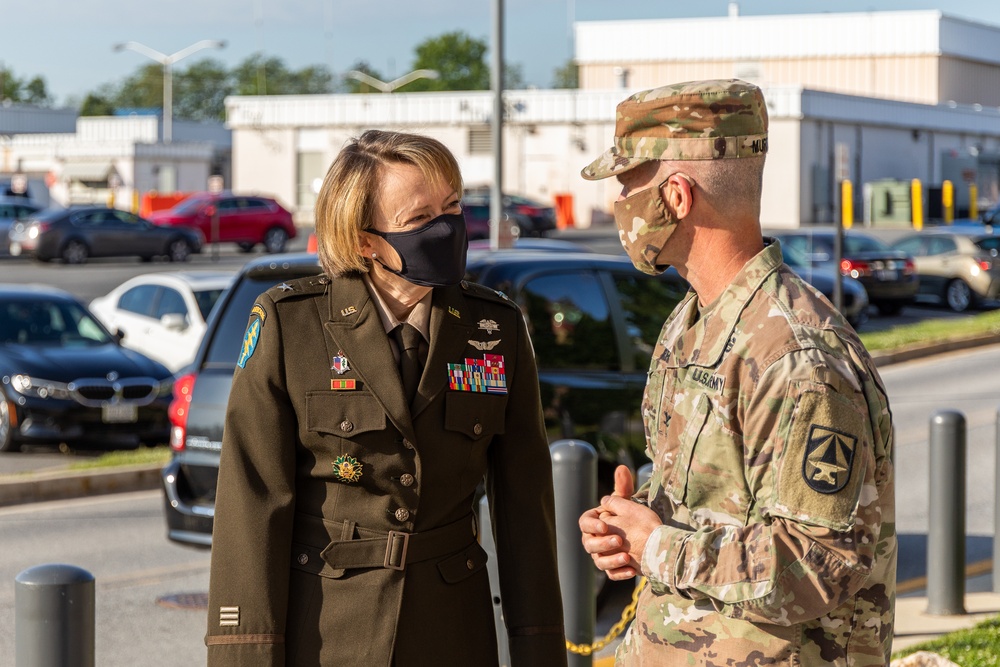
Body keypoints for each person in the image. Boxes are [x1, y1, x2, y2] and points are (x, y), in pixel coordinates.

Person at [206, 129, 566, 666]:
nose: (446, 228)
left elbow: (524, 507)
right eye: (421, 219)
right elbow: (252, 506)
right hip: (329, 632)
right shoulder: (291, 324)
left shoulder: (495, 326)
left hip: (454, 633)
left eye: (452, 207)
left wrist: (538, 648)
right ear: (363, 240)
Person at [577, 79, 896, 665]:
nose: (616, 204)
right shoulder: (690, 322)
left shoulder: (797, 358)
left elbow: (816, 564)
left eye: (627, 184)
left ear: (676, 195)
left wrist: (659, 548)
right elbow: (714, 500)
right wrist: (634, 523)